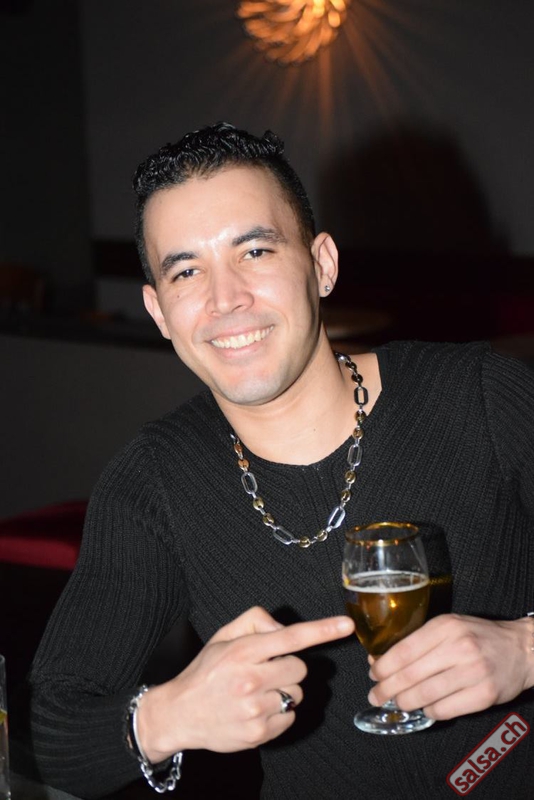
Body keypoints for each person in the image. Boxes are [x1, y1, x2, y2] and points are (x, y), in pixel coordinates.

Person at [27, 122, 533, 799]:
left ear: (321, 264)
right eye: (186, 271)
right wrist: (169, 715)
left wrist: (524, 650)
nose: (225, 299)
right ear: (158, 310)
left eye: (255, 251)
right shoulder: (155, 482)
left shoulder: (482, 397)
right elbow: (57, 731)